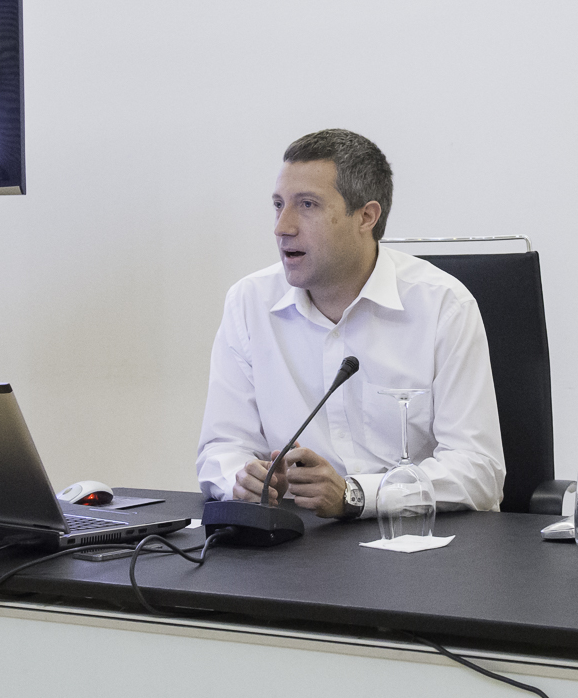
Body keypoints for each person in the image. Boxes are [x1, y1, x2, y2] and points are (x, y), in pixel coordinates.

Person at [196, 128, 505, 519]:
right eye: (278, 205)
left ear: (366, 216)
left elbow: (479, 470)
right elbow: (221, 448)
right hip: (297, 539)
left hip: (418, 538)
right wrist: (241, 479)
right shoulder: (249, 303)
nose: (282, 227)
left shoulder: (443, 305)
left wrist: (356, 495)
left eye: (307, 205)